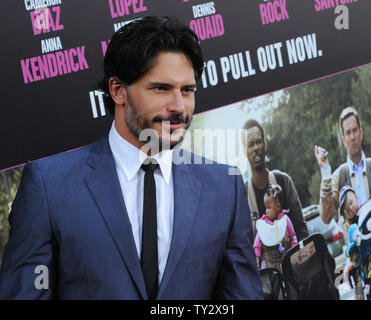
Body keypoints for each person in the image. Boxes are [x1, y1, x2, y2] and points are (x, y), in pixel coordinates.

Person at [0, 16, 262, 300]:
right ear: (118, 91)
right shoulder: (49, 187)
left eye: (187, 90)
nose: (179, 106)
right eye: (161, 88)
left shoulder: (224, 188)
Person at [315, 106, 371, 224]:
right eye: (348, 132)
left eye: (355, 130)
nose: (353, 137)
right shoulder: (339, 177)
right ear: (343, 140)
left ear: (361, 132)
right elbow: (326, 218)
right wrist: (326, 172)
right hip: (355, 242)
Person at [241, 119, 308, 241]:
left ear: (264, 144)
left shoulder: (283, 181)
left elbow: (301, 228)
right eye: (250, 144)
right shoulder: (242, 195)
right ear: (244, 151)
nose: (256, 148)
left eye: (259, 142)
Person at [254, 184, 297, 270]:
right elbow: (257, 243)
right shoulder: (263, 225)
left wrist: (295, 250)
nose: (266, 211)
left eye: (269, 207)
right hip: (269, 265)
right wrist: (257, 257)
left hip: (286, 261)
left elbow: (292, 237)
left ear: (278, 207)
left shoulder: (285, 220)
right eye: (266, 208)